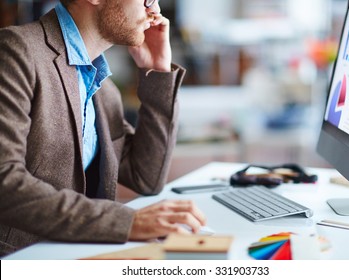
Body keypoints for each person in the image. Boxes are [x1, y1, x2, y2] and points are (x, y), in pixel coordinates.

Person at [0, 0, 206, 257]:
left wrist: (158, 71)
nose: (154, 10)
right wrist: (126, 221)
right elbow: (4, 180)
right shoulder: (16, 51)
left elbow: (146, 177)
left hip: (78, 255)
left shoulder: (103, 88)